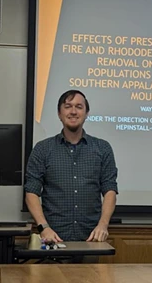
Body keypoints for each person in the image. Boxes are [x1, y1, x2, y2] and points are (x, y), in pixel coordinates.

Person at [24, 90, 118, 245]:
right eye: (68, 106)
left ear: (86, 113)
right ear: (59, 114)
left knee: (92, 271)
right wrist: (44, 227)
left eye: (79, 107)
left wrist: (103, 225)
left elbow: (110, 190)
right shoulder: (42, 149)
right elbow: (31, 192)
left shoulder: (102, 148)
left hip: (92, 238)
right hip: (53, 238)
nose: (73, 111)